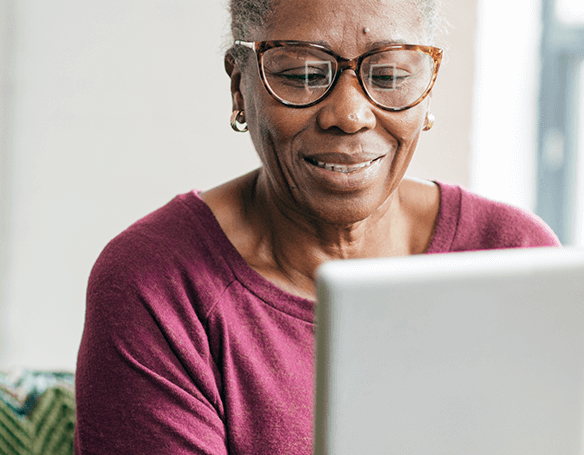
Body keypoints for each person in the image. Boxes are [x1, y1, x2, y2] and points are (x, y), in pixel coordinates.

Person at [73, 0, 561, 453]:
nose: (349, 115)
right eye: (304, 74)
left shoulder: (513, 256)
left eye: (389, 75)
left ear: (428, 82)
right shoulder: (157, 282)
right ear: (238, 85)